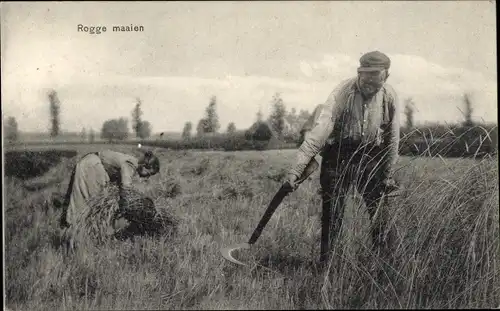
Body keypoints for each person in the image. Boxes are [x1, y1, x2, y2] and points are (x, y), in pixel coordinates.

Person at [285, 51, 401, 265]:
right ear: (359, 73)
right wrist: (296, 169)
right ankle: (328, 268)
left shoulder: (390, 96)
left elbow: (393, 139)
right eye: (365, 76)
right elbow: (319, 133)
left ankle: (382, 265)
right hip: (338, 155)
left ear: (386, 76)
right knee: (333, 213)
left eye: (375, 79)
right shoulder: (342, 93)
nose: (368, 84)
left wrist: (387, 174)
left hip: (370, 156)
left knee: (381, 213)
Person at [59, 149, 160, 242]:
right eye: (149, 174)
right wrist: (126, 210)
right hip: (91, 167)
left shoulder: (133, 164)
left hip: (91, 164)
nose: (147, 177)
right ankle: (74, 238)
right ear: (145, 166)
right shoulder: (131, 165)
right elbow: (126, 188)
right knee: (88, 206)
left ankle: (79, 236)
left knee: (87, 205)